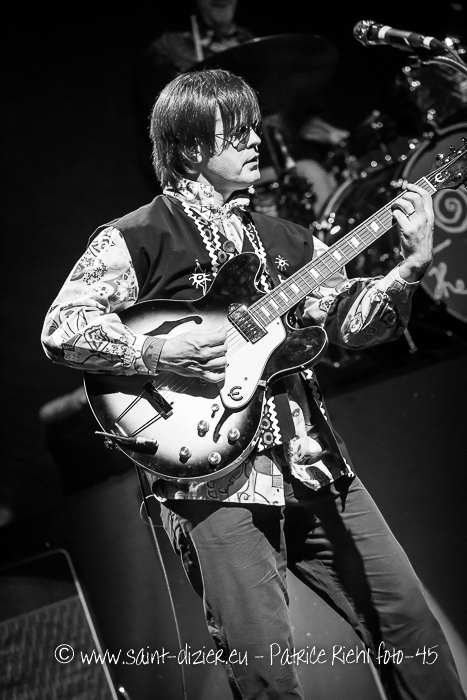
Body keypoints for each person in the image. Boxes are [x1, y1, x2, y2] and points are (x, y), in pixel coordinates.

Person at [41, 69, 465, 700]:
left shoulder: (289, 238)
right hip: (210, 481)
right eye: (236, 130)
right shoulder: (137, 236)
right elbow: (62, 326)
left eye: (255, 127)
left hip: (311, 464)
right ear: (190, 148)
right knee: (267, 679)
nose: (255, 140)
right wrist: (155, 351)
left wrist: (409, 267)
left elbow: (355, 326)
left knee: (412, 631)